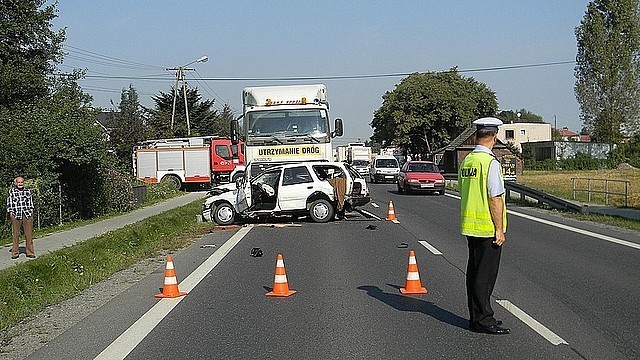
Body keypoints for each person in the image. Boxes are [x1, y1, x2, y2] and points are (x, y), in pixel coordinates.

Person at [458, 117, 509, 335]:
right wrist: (499, 229)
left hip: (470, 226)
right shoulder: (490, 163)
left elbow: (463, 190)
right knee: (485, 276)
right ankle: (483, 319)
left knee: (474, 273)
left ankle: (476, 316)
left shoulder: (468, 161)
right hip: (487, 228)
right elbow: (495, 198)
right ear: (494, 137)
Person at [6, 177, 36, 259]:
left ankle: (30, 252)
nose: (20, 184)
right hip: (16, 214)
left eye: (22, 182)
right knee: (16, 234)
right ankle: (15, 253)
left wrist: (31, 210)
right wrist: (11, 212)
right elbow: (10, 202)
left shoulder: (27, 191)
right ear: (16, 183)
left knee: (28, 234)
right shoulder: (12, 191)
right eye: (18, 182)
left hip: (26, 214)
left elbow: (30, 201)